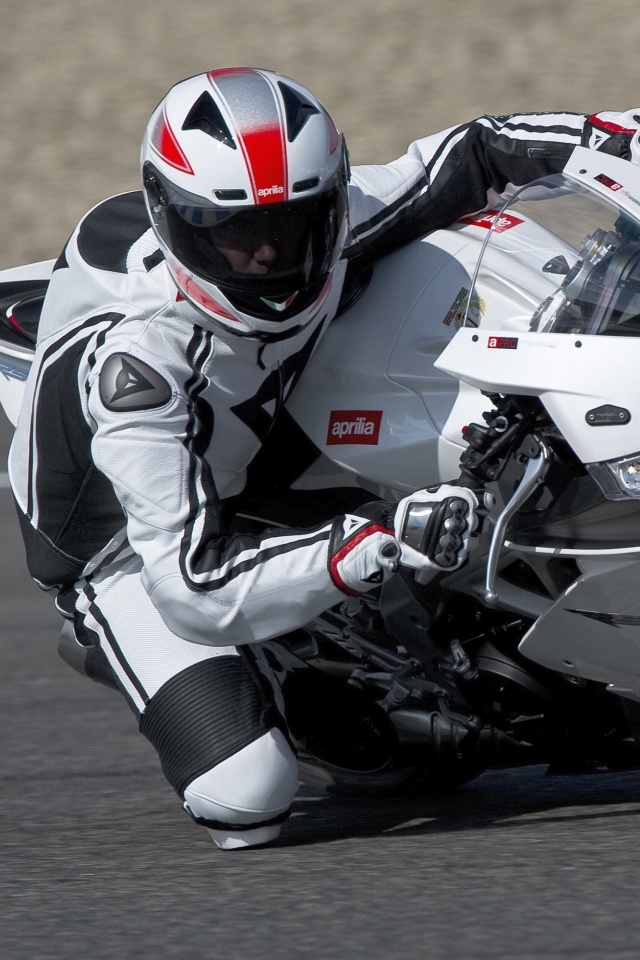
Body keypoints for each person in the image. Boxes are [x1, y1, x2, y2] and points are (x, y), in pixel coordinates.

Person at [8, 67, 640, 850]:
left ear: (333, 201)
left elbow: (475, 149)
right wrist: (373, 541)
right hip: (134, 545)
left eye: (294, 222)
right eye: (230, 232)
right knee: (244, 799)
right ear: (176, 222)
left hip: (265, 422)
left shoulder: (338, 222)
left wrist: (611, 134)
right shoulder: (142, 368)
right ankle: (236, 661)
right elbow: (193, 588)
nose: (268, 255)